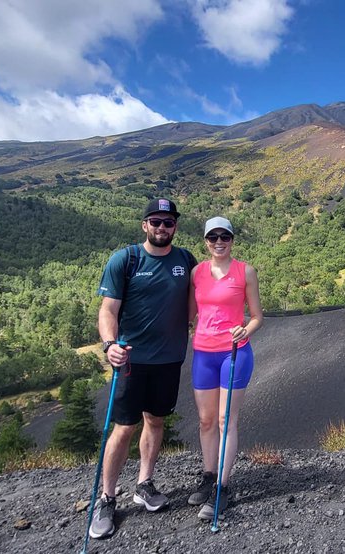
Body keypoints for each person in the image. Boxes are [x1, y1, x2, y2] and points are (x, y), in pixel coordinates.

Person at [88, 198, 197, 540]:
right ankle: (107, 498)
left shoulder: (185, 260)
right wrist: (110, 345)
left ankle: (144, 485)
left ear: (175, 226)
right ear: (144, 225)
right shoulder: (126, 260)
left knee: (156, 420)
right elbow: (108, 310)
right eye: (156, 221)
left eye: (168, 222)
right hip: (132, 360)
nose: (162, 228)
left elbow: (200, 300)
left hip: (169, 359)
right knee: (124, 427)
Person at [185, 216, 264, 520]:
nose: (219, 242)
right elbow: (191, 312)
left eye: (225, 237)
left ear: (232, 239)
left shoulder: (246, 272)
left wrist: (247, 329)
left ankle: (222, 487)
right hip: (203, 353)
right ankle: (208, 477)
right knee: (205, 421)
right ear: (205, 241)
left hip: (234, 353)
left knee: (225, 420)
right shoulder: (197, 272)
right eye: (212, 237)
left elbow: (257, 316)